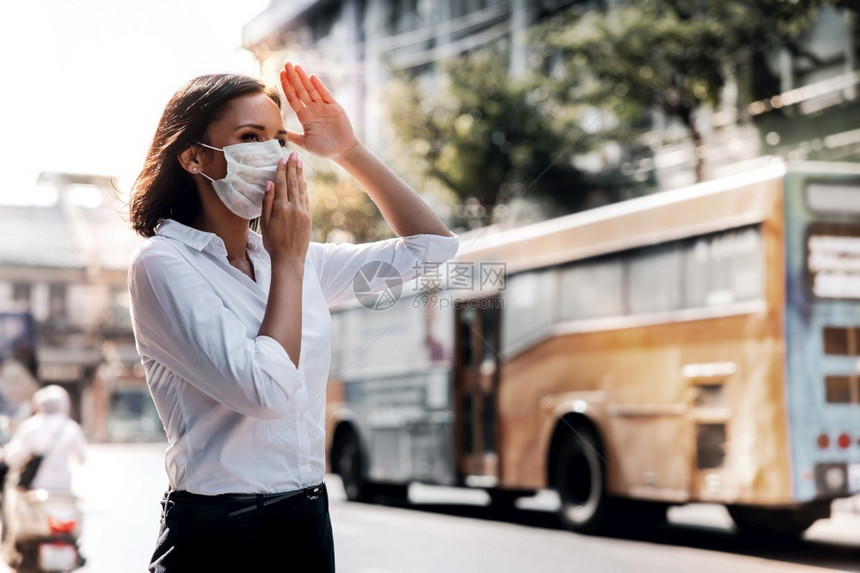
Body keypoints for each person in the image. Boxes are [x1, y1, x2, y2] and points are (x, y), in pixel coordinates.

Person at [127, 62, 458, 572]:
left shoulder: (292, 260)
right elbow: (265, 392)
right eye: (251, 136)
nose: (274, 154)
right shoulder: (164, 264)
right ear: (194, 157)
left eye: (280, 138)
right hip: (219, 535)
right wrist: (289, 262)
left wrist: (350, 151)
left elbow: (432, 250)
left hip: (305, 520)